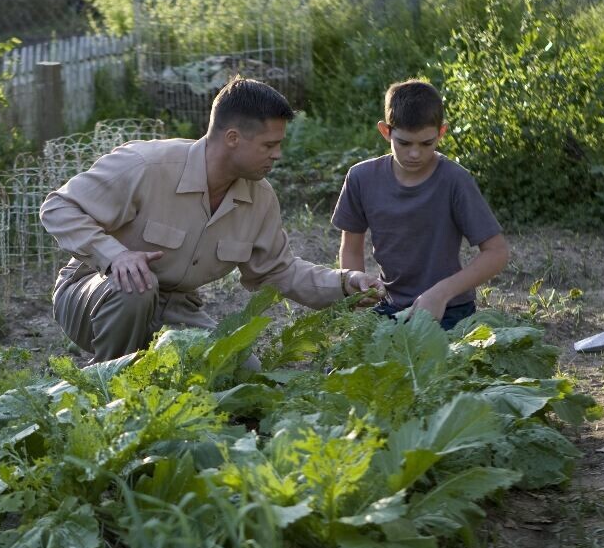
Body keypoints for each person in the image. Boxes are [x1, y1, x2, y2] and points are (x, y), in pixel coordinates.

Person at [40, 77, 379, 363]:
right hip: (94, 294)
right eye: (269, 145)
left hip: (173, 308)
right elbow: (58, 208)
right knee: (136, 287)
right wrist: (114, 256)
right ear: (233, 138)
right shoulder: (146, 165)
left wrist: (343, 284)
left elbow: (277, 271)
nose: (277, 154)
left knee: (241, 370)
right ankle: (104, 390)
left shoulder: (260, 197)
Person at [332, 79, 509, 332]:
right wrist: (357, 289)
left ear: (441, 133)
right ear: (386, 132)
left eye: (426, 143)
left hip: (449, 310)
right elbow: (350, 247)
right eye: (404, 143)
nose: (415, 154)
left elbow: (496, 252)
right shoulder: (361, 178)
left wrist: (441, 293)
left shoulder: (455, 180)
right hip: (389, 306)